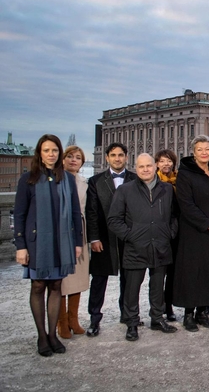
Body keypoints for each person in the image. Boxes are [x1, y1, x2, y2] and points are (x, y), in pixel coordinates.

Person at [14, 134, 82, 356]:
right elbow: (20, 215)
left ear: (59, 153)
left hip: (62, 242)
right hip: (37, 243)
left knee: (56, 287)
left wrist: (77, 242)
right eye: (46, 150)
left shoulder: (67, 179)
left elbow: (74, 213)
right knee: (38, 286)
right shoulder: (28, 179)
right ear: (39, 153)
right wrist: (20, 246)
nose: (51, 154)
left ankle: (53, 334)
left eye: (54, 150)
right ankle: (41, 336)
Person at [108, 154, 179, 341]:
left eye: (148, 166)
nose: (145, 169)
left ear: (155, 166)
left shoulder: (166, 189)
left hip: (161, 245)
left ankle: (157, 318)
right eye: (141, 167)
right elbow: (114, 220)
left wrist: (169, 233)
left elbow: (174, 216)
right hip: (135, 248)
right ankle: (132, 322)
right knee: (132, 288)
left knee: (157, 286)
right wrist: (130, 236)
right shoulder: (125, 190)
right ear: (135, 168)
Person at [173, 135, 209, 331]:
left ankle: (203, 312)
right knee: (192, 273)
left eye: (207, 149)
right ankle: (188, 314)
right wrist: (208, 225)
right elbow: (186, 205)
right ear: (193, 152)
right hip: (194, 231)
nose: (204, 153)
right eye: (200, 150)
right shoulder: (185, 173)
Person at [86, 142, 137, 337]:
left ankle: (127, 314)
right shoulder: (96, 181)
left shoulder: (134, 179)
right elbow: (91, 213)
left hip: (129, 238)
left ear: (126, 157)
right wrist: (94, 238)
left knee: (129, 279)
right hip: (104, 239)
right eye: (113, 155)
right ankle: (94, 318)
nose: (117, 158)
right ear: (107, 157)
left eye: (121, 155)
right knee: (99, 280)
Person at [57, 145, 90, 339]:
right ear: (63, 159)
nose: (73, 160)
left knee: (77, 278)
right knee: (61, 280)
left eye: (78, 157)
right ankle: (61, 322)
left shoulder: (84, 182)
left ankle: (73, 319)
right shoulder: (56, 180)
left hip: (81, 231)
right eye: (69, 156)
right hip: (62, 232)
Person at [154, 149, 179, 322]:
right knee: (157, 274)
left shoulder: (178, 181)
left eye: (169, 161)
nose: (166, 164)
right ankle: (156, 308)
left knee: (171, 273)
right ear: (156, 163)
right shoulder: (152, 181)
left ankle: (168, 305)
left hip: (175, 231)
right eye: (162, 161)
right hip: (157, 233)